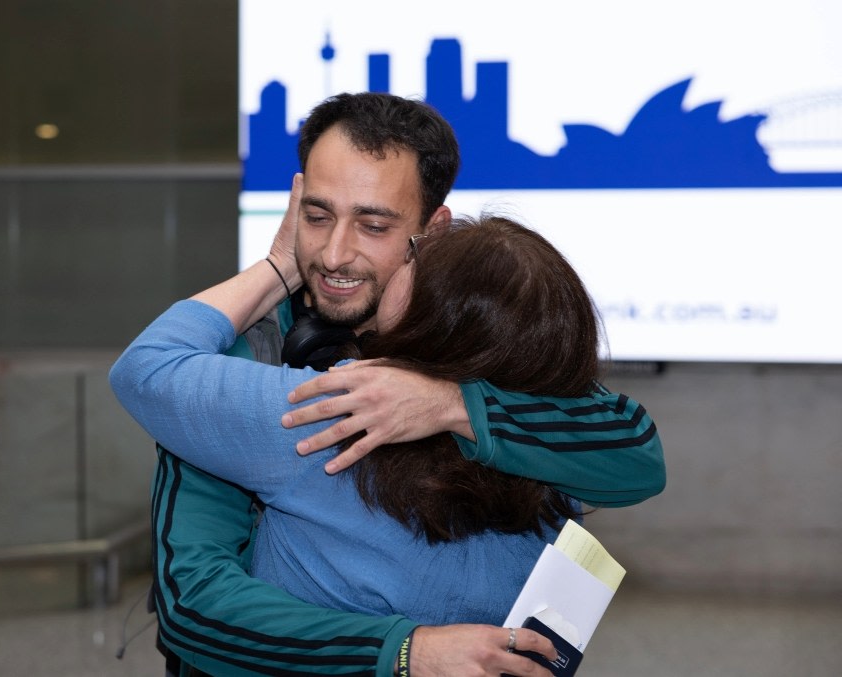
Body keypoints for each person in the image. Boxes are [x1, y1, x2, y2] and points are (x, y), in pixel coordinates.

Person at [133, 92, 665, 677]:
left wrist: (452, 405)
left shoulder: (484, 345)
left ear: (432, 232)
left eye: (374, 225)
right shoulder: (242, 357)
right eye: (316, 216)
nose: (335, 253)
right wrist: (404, 651)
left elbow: (634, 452)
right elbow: (194, 602)